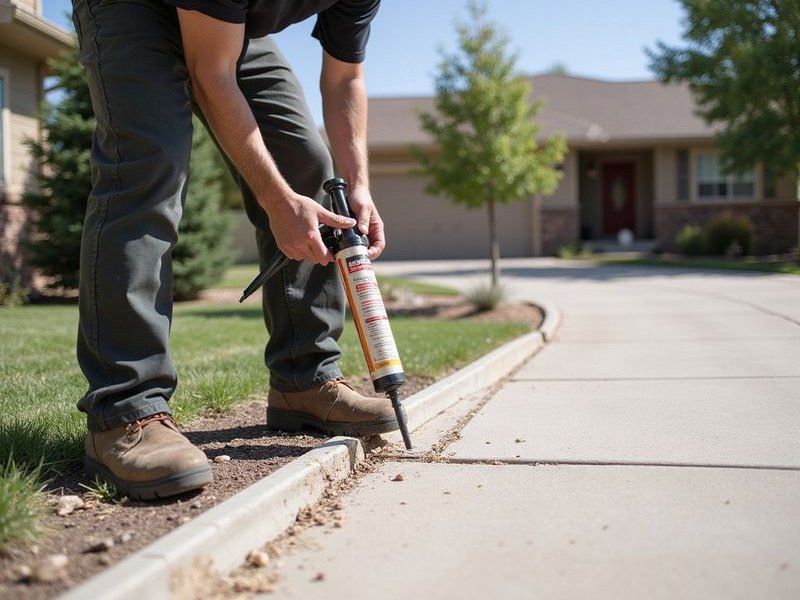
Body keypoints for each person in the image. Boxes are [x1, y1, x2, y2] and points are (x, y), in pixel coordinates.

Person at [71, 0, 397, 501]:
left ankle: (303, 380)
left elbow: (344, 79)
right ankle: (125, 411)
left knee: (303, 162)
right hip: (131, 6)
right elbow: (210, 72)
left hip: (226, 26)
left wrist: (357, 186)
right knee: (149, 165)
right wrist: (275, 201)